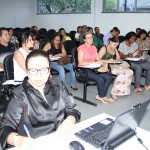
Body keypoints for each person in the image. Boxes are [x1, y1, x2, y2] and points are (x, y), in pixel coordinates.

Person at [0, 50, 81, 150]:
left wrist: (69, 120)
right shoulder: (19, 96)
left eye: (43, 70)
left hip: (63, 140)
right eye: (33, 70)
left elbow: (73, 110)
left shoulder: (58, 86)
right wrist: (17, 140)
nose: (38, 75)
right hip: (36, 145)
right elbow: (4, 128)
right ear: (27, 71)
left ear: (49, 70)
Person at [78, 32, 114, 103]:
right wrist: (92, 63)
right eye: (88, 38)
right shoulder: (81, 48)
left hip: (94, 69)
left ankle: (101, 96)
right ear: (84, 39)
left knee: (109, 77)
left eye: (91, 37)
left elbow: (97, 59)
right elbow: (80, 62)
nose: (91, 39)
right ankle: (102, 97)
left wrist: (99, 62)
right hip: (84, 70)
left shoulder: (94, 47)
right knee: (100, 79)